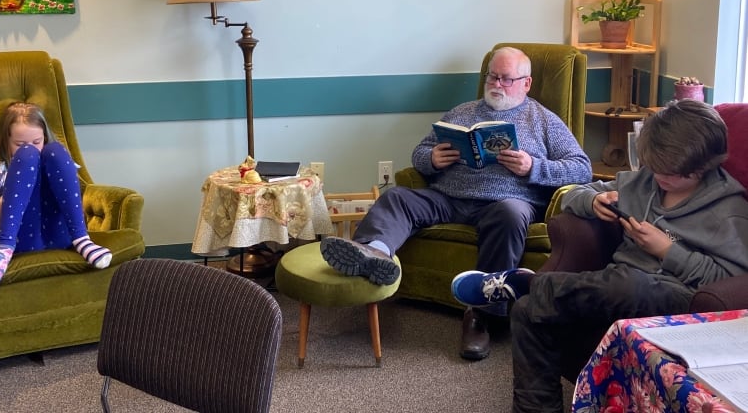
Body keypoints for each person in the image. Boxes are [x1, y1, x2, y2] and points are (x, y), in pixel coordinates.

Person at [450, 99, 748, 413]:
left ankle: (531, 283)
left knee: (632, 283)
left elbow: (729, 284)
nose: (659, 177)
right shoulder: (644, 182)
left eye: (670, 173)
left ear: (702, 166)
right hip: (611, 289)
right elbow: (573, 193)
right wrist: (592, 202)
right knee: (526, 311)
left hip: (675, 299)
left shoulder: (729, 213)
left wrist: (666, 250)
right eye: (654, 166)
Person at [320, 46, 592, 360]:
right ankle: (375, 256)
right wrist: (432, 159)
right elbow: (420, 154)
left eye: (506, 79)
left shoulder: (544, 120)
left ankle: (481, 314)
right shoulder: (462, 112)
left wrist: (533, 167)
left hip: (506, 203)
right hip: (449, 198)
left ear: (526, 83)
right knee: (397, 197)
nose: (497, 84)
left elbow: (581, 167)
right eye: (492, 76)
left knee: (510, 214)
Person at [0, 102, 112, 284]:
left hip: (63, 236)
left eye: (37, 142)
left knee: (56, 151)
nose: (30, 147)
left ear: (44, 137)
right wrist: (11, 197)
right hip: (22, 240)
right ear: (6, 141)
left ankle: (82, 239)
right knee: (27, 157)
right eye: (19, 144)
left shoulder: (56, 163)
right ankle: (3, 249)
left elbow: (73, 204)